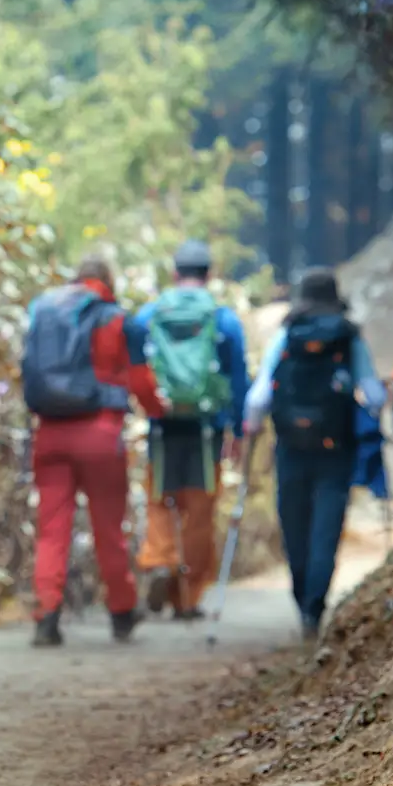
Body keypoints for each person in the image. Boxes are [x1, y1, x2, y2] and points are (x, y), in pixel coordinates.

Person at [22, 256, 156, 647]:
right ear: (107, 281)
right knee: (109, 529)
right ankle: (121, 613)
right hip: (100, 432)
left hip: (50, 433)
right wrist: (158, 412)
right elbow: (140, 380)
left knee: (51, 531)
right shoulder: (115, 318)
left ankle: (46, 618)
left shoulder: (47, 313)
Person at [245, 267, 384, 640]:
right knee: (326, 526)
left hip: (290, 445)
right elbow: (373, 394)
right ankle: (314, 608)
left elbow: (259, 395)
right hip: (336, 447)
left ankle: (300, 595)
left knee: (294, 525)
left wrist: (252, 426)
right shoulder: (347, 336)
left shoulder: (288, 332)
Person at [131, 240, 250, 622]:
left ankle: (160, 558)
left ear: (174, 272)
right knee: (199, 512)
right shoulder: (223, 319)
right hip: (207, 431)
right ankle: (187, 598)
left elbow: (134, 365)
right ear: (209, 274)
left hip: (161, 425)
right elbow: (237, 378)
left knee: (159, 499)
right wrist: (238, 431)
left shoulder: (150, 314)